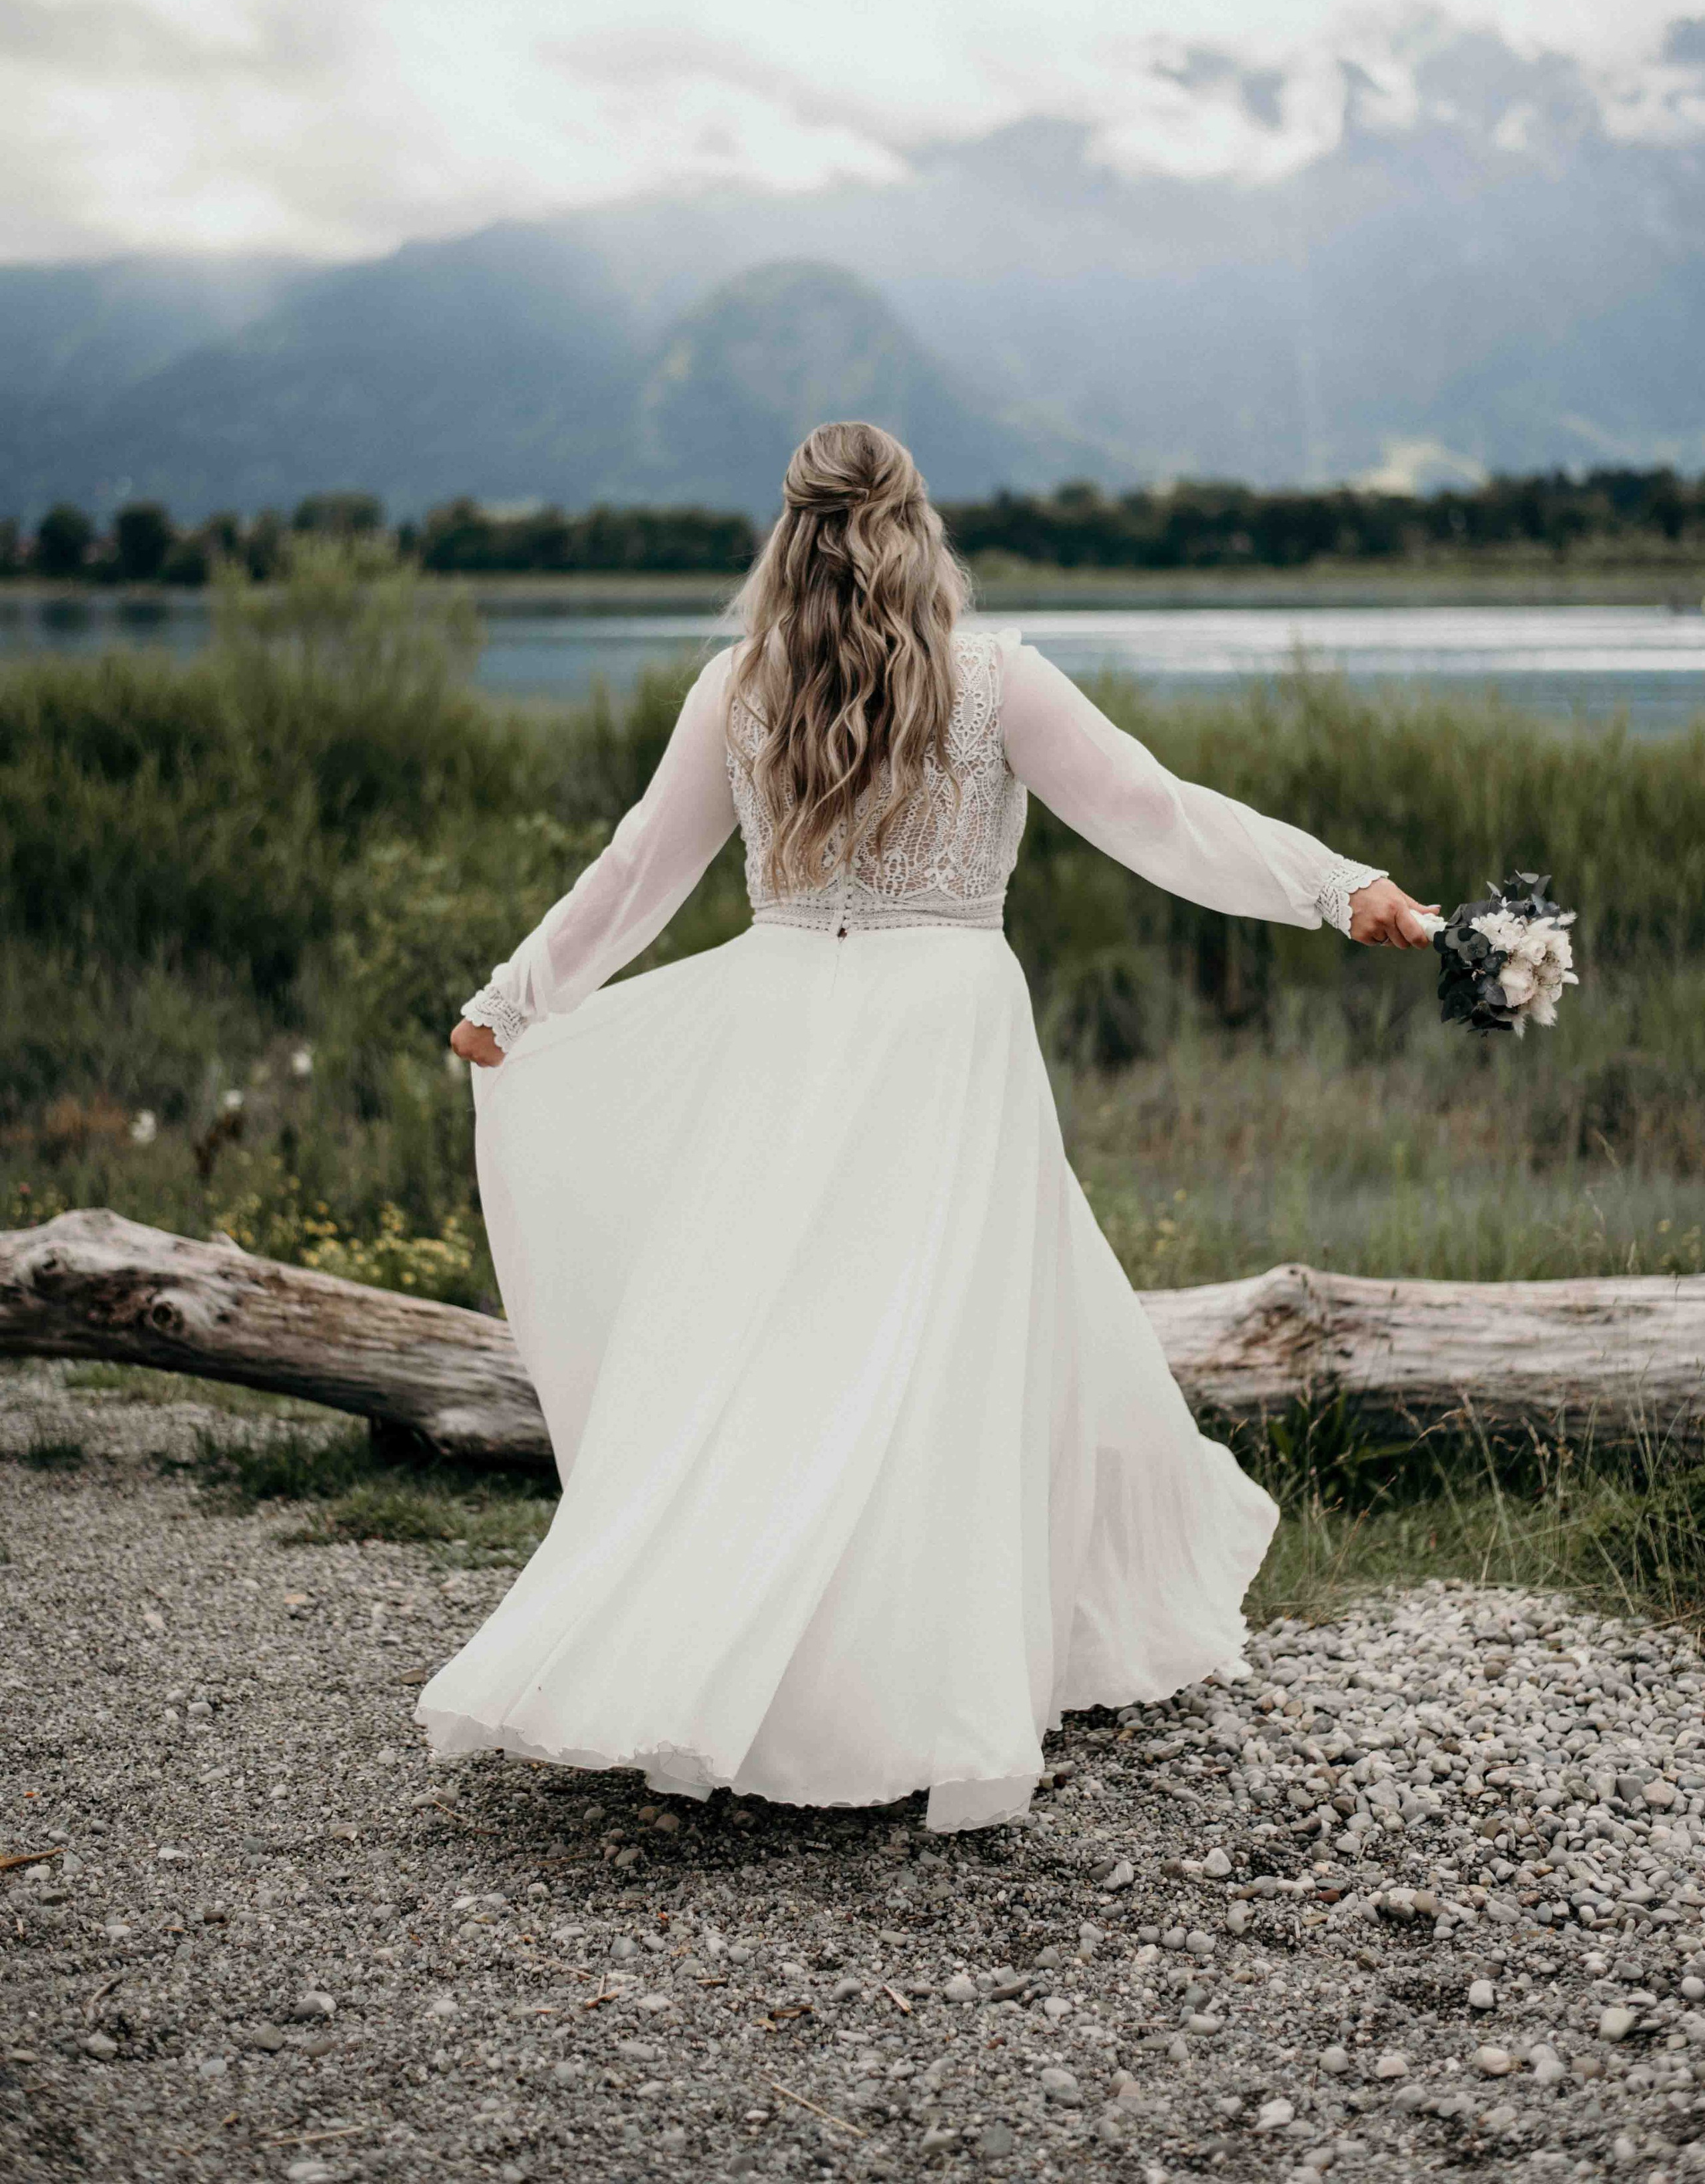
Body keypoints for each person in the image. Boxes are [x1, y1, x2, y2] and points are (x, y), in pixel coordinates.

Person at [419, 422, 1433, 1832]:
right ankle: (896, 1682)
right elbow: (1159, 816)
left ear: (786, 531)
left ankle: (757, 1673)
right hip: (944, 1022)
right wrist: (1338, 885)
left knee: (770, 1338)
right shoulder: (998, 680)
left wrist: (512, 1001)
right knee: (935, 1343)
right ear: (919, 524)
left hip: (783, 1013)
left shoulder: (738, 687)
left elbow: (635, 869)